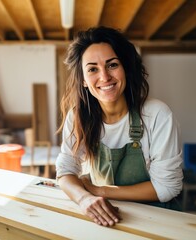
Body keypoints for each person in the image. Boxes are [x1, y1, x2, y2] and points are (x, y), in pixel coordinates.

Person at [55, 26, 183, 227]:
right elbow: (65, 170)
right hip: (105, 220)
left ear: (126, 68)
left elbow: (167, 188)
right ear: (84, 81)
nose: (104, 77)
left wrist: (99, 191)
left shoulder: (156, 115)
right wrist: (84, 198)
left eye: (112, 65)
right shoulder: (79, 116)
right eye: (92, 69)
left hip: (158, 222)